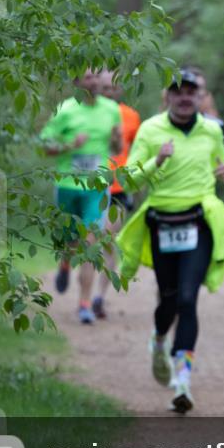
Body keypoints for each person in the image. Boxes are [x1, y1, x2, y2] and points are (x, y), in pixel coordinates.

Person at [116, 68, 224, 413]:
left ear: (200, 96)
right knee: (169, 298)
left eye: (191, 91)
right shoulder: (151, 129)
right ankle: (159, 340)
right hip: (162, 222)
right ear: (167, 97)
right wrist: (156, 161)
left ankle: (182, 380)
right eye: (177, 91)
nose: (184, 97)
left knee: (188, 299)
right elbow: (129, 181)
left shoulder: (212, 130)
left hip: (199, 221)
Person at [39, 69, 122, 324]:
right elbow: (45, 146)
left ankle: (84, 303)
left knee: (90, 242)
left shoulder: (111, 109)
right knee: (70, 239)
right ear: (76, 82)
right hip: (67, 185)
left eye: (97, 76)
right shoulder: (65, 110)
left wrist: (117, 141)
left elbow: (117, 149)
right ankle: (65, 262)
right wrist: (70, 145)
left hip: (97, 186)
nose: (94, 81)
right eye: (88, 77)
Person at [92, 70, 142, 320]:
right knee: (88, 239)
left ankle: (98, 296)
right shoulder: (86, 113)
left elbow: (139, 150)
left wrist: (137, 179)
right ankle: (77, 279)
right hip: (89, 185)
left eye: (113, 88)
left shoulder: (131, 116)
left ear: (120, 90)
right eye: (105, 88)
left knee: (109, 240)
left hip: (118, 188)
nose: (109, 93)